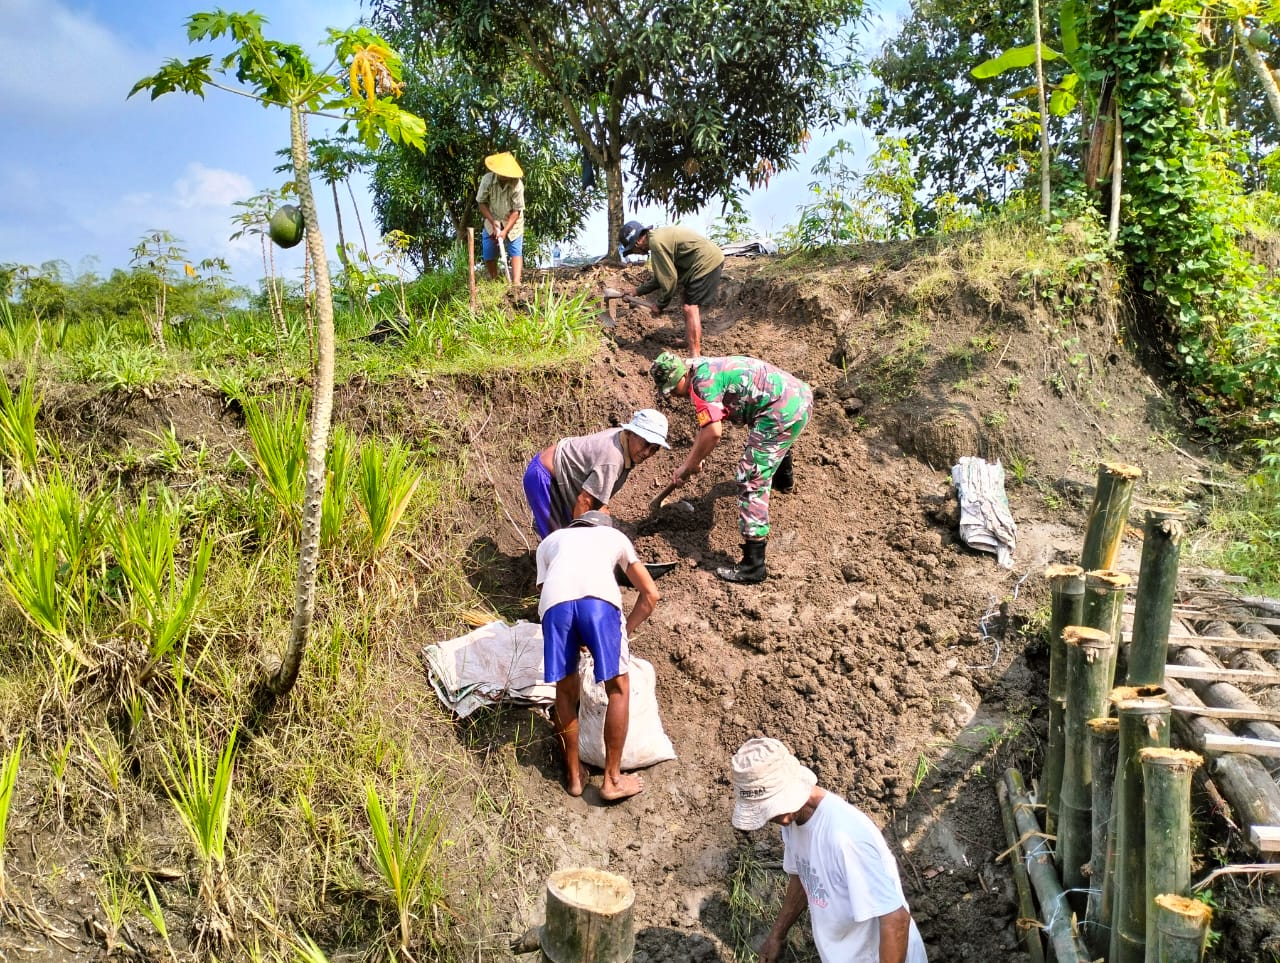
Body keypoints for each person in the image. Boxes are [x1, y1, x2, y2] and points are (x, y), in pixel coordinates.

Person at [729, 738, 929, 963]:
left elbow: (896, 919)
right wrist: (777, 935)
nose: (777, 818)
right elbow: (804, 878)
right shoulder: (793, 821)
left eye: (773, 807)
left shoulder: (846, 837)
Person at [650, 352, 811, 583]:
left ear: (682, 375)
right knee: (769, 443)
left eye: (673, 389)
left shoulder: (701, 385)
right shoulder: (701, 368)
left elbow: (713, 433)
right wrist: (697, 456)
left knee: (751, 477)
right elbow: (707, 428)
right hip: (796, 397)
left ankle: (753, 565)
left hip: (782, 412)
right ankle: (783, 481)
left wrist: (689, 465)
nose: (674, 395)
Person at [537, 510, 660, 800]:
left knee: (565, 693)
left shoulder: (550, 542)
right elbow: (651, 595)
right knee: (618, 688)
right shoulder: (614, 536)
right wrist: (624, 632)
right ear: (602, 527)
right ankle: (612, 780)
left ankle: (574, 777)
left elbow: (548, 591)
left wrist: (578, 635)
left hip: (555, 608)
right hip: (599, 605)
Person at [522, 409, 670, 539]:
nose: (647, 453)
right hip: (543, 480)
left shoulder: (622, 440)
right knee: (563, 545)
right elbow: (584, 501)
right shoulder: (612, 459)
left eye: (654, 449)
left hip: (558, 479)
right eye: (645, 444)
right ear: (631, 433)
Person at [618, 221, 724, 358]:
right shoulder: (656, 238)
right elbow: (661, 277)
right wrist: (636, 291)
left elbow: (670, 281)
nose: (636, 253)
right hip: (704, 260)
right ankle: (688, 341)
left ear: (637, 242)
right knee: (685, 297)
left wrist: (660, 304)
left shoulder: (656, 244)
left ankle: (695, 356)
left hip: (707, 262)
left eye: (633, 249)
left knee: (690, 307)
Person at [476, 151, 525, 285]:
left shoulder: (517, 185)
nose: (503, 176)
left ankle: (516, 283)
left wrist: (505, 231)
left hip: (513, 221)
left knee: (515, 250)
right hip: (492, 218)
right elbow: (481, 202)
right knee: (488, 252)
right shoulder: (487, 180)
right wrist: (493, 222)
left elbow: (517, 211)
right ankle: (495, 281)